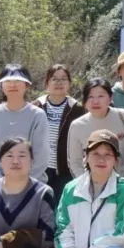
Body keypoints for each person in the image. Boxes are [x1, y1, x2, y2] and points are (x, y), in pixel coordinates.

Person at [0, 65, 50, 185]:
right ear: (1, 86)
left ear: (26, 85)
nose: (13, 85)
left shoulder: (37, 115)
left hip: (31, 185)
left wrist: (22, 183)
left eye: (18, 81)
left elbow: (41, 156)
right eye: (8, 81)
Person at [67, 78, 124, 179]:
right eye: (90, 97)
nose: (95, 101)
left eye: (101, 96)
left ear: (110, 98)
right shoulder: (77, 125)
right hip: (92, 181)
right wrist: (85, 182)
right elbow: (75, 161)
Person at [34, 65, 85, 204]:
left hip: (65, 171)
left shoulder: (78, 109)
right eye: (54, 79)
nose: (59, 83)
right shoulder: (36, 107)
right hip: (39, 170)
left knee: (61, 208)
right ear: (47, 83)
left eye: (63, 79)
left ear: (69, 83)